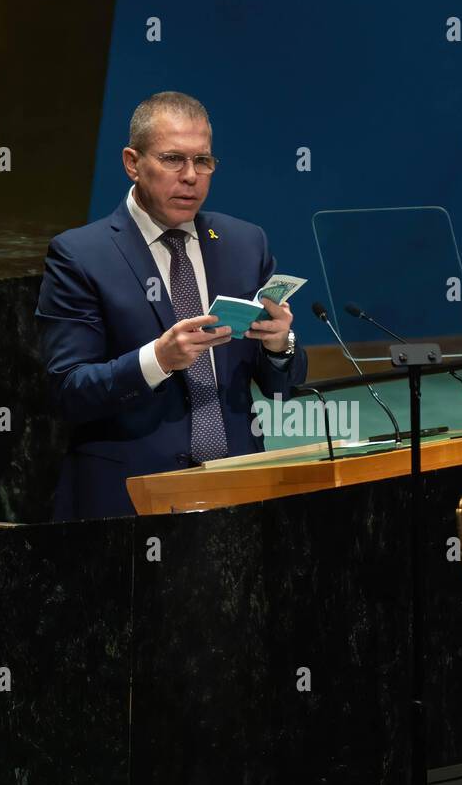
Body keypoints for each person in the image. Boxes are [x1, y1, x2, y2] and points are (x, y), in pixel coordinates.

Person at [36, 92, 307, 520]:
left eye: (203, 162)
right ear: (132, 162)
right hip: (131, 499)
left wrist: (279, 347)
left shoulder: (244, 243)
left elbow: (280, 388)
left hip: (238, 487)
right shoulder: (79, 255)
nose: (190, 177)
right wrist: (157, 359)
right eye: (172, 160)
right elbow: (69, 391)